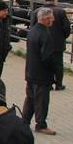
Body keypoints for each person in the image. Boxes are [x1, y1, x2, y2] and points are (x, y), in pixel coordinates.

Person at [22, 7, 56, 135]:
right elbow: (47, 57)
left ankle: (25, 121)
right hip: (41, 73)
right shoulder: (45, 34)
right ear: (46, 19)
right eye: (51, 17)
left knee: (30, 97)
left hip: (30, 70)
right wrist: (54, 72)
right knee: (41, 100)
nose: (53, 19)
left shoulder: (33, 30)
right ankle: (41, 124)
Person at [31, 0, 71, 91]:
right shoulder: (61, 12)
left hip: (41, 43)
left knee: (44, 62)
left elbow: (32, 27)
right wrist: (63, 37)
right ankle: (59, 84)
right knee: (58, 64)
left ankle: (48, 83)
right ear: (55, 0)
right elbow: (66, 28)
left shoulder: (37, 11)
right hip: (57, 43)